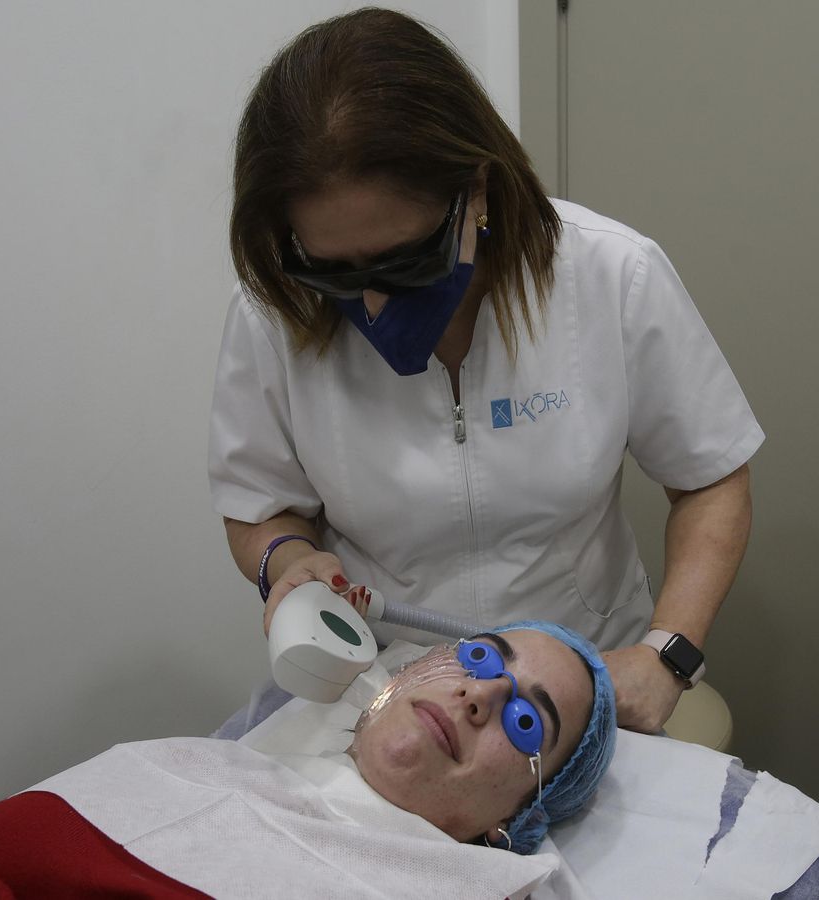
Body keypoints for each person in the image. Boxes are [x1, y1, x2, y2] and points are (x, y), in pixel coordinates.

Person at [210, 7, 763, 732]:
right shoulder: (274, 315)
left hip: (576, 687)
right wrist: (286, 559)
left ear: (476, 188)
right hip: (385, 695)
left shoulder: (609, 276)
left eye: (402, 260)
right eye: (334, 271)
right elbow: (260, 503)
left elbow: (711, 478)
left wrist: (666, 655)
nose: (372, 300)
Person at [0, 622, 617, 898]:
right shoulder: (180, 768)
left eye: (527, 721)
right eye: (482, 654)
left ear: (511, 825)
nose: (479, 692)